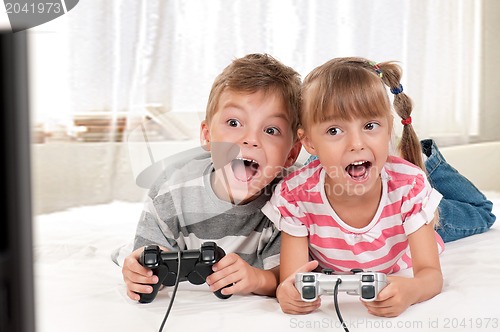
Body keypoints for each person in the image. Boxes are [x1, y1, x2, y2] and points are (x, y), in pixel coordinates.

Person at [263, 57, 446, 317]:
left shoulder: (408, 186)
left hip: (401, 244)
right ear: (309, 143)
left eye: (370, 126)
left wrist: (412, 290)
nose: (356, 143)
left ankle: (436, 162)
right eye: (335, 130)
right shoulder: (295, 196)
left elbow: (431, 276)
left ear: (388, 128)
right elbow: (291, 279)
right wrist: (287, 293)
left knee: (474, 215)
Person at [121, 53, 303, 301]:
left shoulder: (293, 199)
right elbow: (148, 257)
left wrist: (257, 278)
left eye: (271, 130)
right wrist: (141, 273)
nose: (251, 139)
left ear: (292, 153)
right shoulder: (171, 191)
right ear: (207, 135)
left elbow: (289, 278)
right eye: (234, 122)